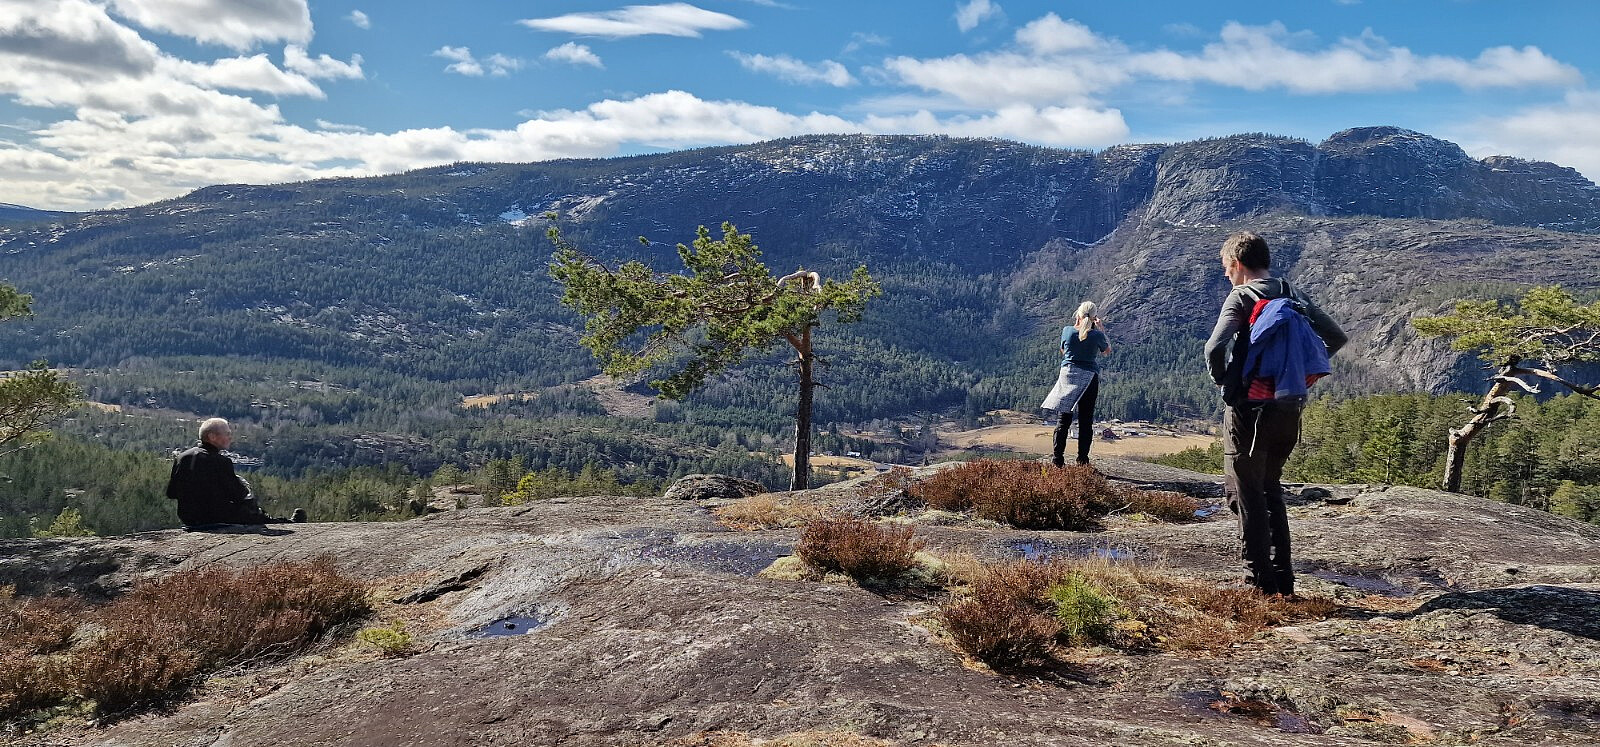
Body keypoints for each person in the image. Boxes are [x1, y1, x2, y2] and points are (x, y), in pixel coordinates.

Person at [1204, 232, 1346, 597]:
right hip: (1288, 406)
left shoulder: (1242, 295)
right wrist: (1297, 370)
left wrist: (1225, 381)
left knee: (1247, 493)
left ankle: (1258, 584)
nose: (1226, 275)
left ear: (1237, 264)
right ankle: (1283, 580)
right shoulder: (1291, 293)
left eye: (1226, 268)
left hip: (1249, 411)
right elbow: (1336, 337)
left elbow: (1215, 347)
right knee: (1270, 489)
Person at [167, 418, 305, 528]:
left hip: (188, 518)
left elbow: (171, 493)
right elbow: (239, 495)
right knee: (249, 508)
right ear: (212, 436)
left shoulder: (182, 457)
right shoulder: (220, 461)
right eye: (227, 434)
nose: (230, 437)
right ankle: (286, 524)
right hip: (215, 518)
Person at [1040, 301, 1112, 467]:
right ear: (1094, 317)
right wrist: (1101, 330)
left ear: (1078, 314)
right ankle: (1082, 461)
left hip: (1068, 376)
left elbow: (1063, 351)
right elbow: (1107, 351)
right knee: (1086, 421)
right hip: (1089, 378)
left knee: (1063, 420)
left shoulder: (1067, 331)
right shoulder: (1097, 335)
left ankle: (1057, 460)